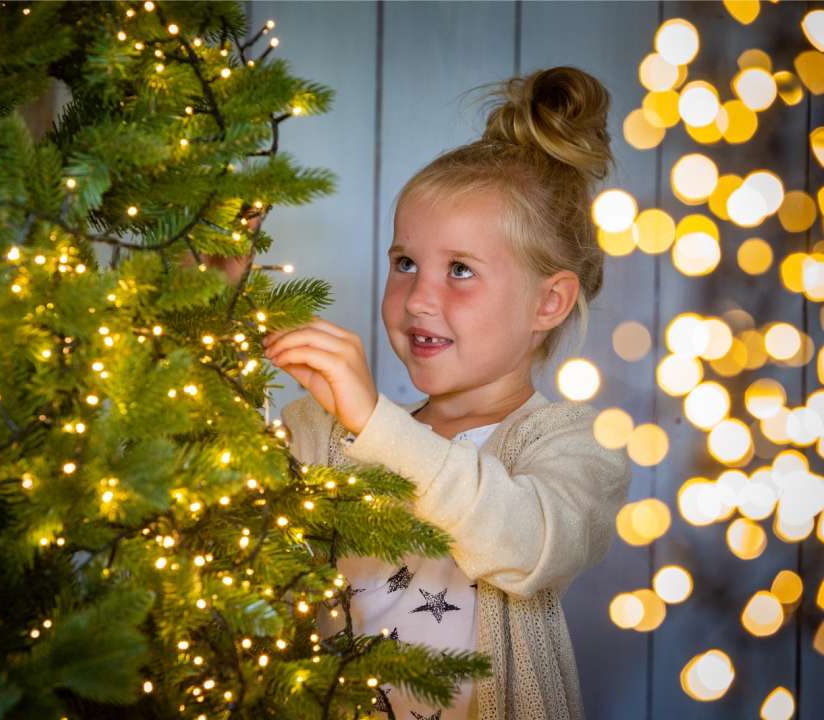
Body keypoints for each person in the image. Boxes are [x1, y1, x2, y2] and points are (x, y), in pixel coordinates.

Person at [262, 66, 633, 720]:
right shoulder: (327, 433)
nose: (419, 299)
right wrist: (214, 301)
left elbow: (524, 544)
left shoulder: (574, 447)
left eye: (460, 270)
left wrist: (374, 420)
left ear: (549, 301)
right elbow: (213, 483)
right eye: (405, 263)